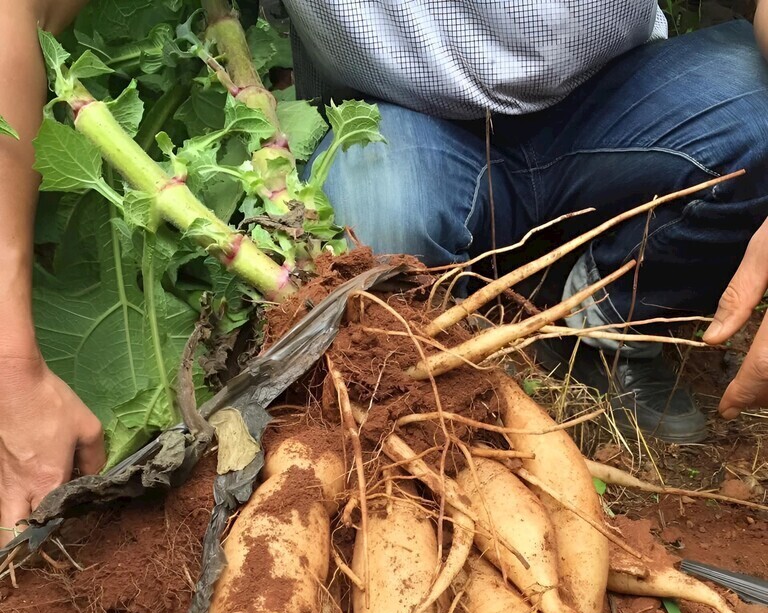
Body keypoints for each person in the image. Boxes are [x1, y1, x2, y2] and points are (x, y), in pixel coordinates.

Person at [2, 2, 768, 536]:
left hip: (625, 95)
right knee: (362, 265)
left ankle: (609, 313)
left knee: (759, 121)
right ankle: (409, 389)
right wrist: (10, 366)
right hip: (406, 126)